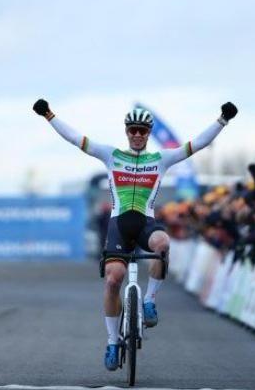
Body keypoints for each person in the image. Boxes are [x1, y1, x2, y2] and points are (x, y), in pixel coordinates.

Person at [33, 98, 238, 371]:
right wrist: (48, 114)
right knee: (112, 281)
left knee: (162, 243)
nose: (138, 135)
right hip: (118, 225)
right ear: (127, 132)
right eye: (133, 130)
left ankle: (150, 300)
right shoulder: (111, 155)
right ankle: (113, 341)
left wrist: (222, 120)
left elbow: (197, 144)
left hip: (145, 224)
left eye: (143, 130)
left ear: (149, 133)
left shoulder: (161, 159)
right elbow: (75, 139)